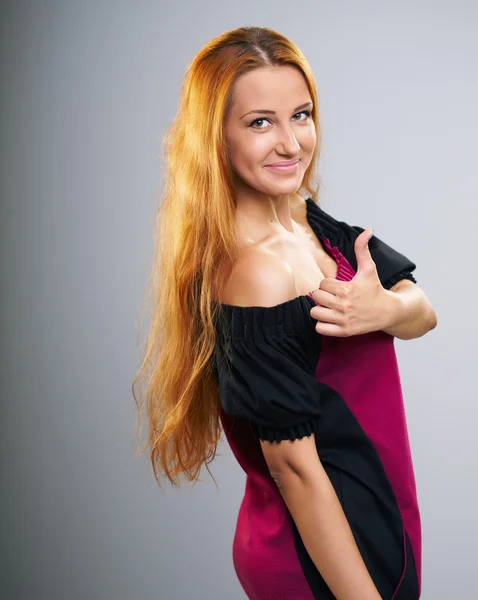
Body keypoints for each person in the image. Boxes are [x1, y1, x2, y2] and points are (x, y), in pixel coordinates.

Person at [132, 25, 437, 600]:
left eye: (301, 114)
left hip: (375, 520)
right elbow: (294, 471)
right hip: (317, 557)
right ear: (215, 139)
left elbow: (423, 311)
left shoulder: (311, 223)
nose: (292, 143)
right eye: (260, 122)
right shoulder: (257, 274)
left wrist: (381, 310)